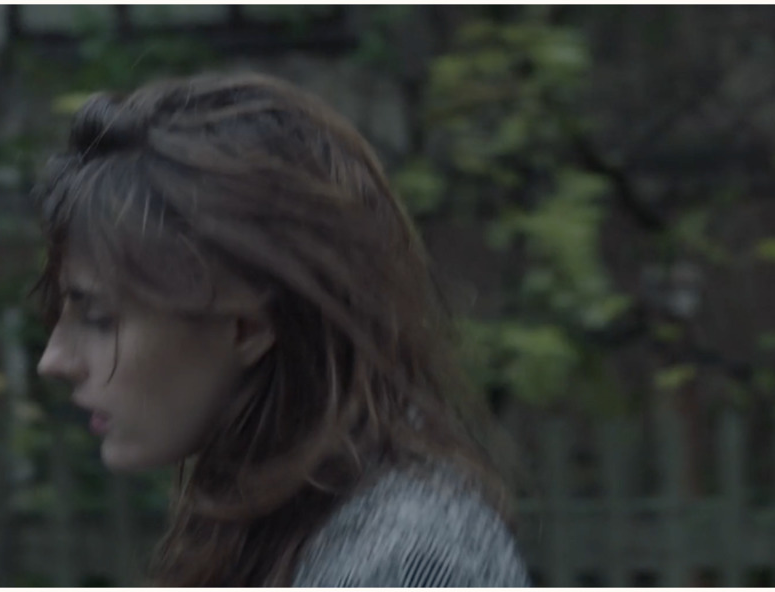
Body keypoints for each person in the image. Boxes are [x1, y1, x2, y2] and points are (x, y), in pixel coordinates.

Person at [30, 72, 531, 587]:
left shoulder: (406, 558)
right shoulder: (267, 526)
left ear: (247, 327)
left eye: (98, 317)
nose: (55, 359)